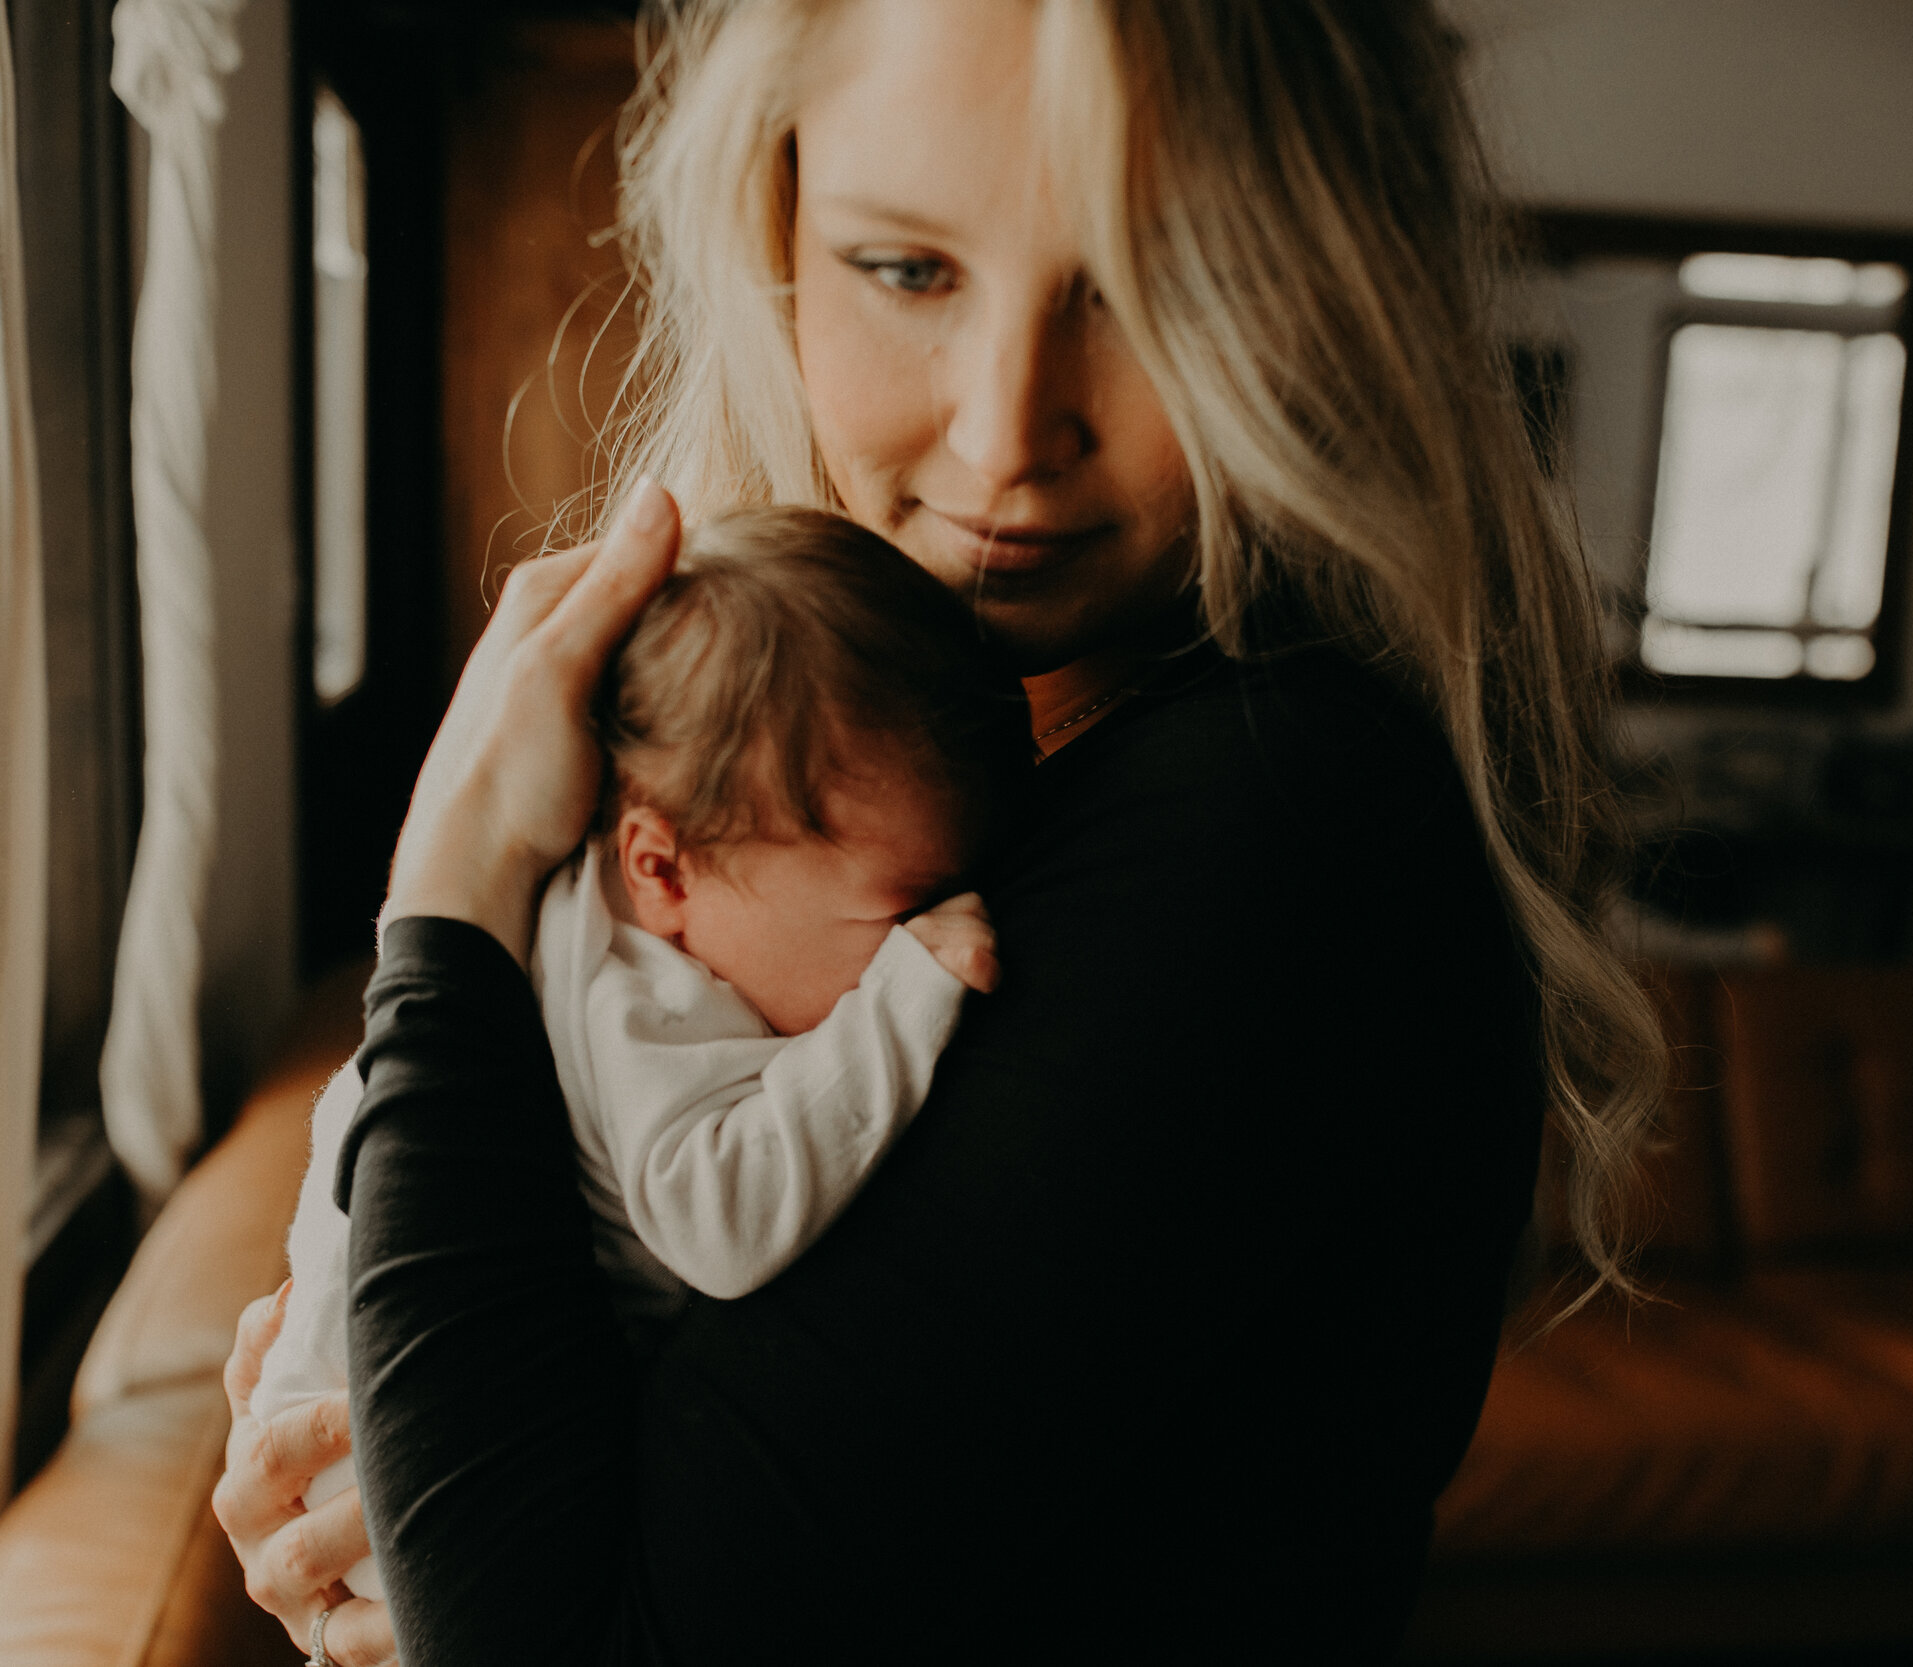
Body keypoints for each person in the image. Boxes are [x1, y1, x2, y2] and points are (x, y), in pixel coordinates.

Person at [215, 1, 1669, 1660]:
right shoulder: (923, 753)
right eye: (906, 270)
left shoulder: (1276, 825)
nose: (1004, 437)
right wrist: (369, 1444)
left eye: (1146, 286)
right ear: (770, 232)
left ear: (1335, 291)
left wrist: (453, 875)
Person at [247, 509, 1022, 1601]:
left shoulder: (647, 908)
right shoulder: (639, 1000)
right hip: (396, 1484)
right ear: (661, 869)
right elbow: (721, 1220)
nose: (938, 920)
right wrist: (904, 996)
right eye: (899, 910)